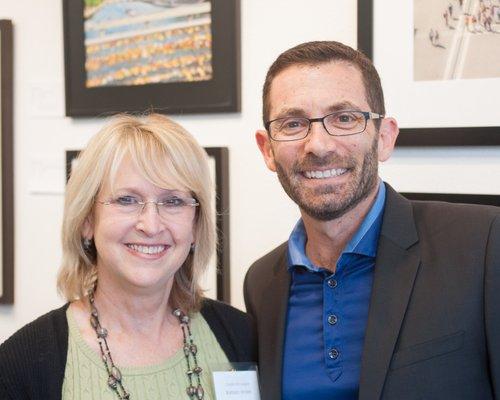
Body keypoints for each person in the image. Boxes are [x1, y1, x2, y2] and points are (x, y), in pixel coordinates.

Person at [244, 41, 500, 400]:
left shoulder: (484, 244)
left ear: (384, 137)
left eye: (344, 118)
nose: (318, 145)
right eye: (293, 123)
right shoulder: (262, 283)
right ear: (267, 149)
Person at [0, 114, 255, 400]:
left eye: (173, 201)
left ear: (195, 225)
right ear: (87, 220)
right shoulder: (21, 366)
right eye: (127, 200)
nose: (151, 225)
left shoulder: (242, 337)